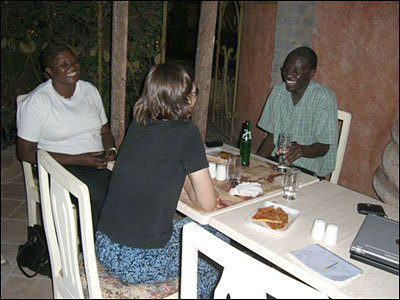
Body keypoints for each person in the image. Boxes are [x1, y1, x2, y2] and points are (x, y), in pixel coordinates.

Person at [95, 63, 228, 299]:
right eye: (194, 92)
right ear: (187, 99)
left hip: (105, 246)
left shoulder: (138, 125)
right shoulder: (188, 134)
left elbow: (167, 177)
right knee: (215, 242)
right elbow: (207, 205)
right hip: (136, 261)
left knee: (189, 230)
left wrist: (187, 180)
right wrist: (196, 186)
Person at [16, 42, 116, 230]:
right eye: (64, 64)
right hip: (58, 164)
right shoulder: (37, 102)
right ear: (49, 71)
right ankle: (96, 249)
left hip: (95, 162)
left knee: (131, 185)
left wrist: (111, 150)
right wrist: (79, 160)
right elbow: (26, 153)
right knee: (100, 193)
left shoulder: (89, 91)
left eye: (74, 61)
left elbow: (105, 132)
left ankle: (119, 243)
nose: (72, 67)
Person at [257, 46, 338, 178]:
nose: (289, 75)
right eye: (286, 69)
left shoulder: (323, 98)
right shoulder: (277, 92)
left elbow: (323, 146)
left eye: (296, 72)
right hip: (278, 164)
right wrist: (256, 162)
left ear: (311, 73)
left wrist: (301, 150)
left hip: (307, 169)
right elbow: (272, 137)